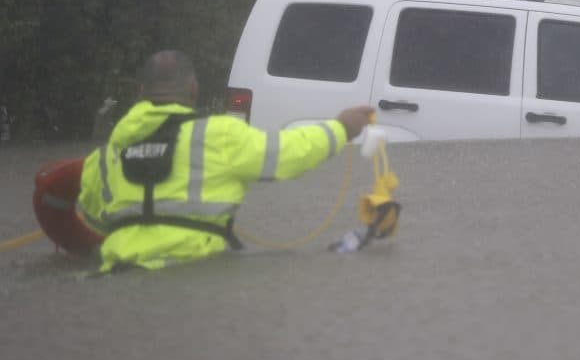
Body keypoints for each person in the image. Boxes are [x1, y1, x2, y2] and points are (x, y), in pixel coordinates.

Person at [76, 50, 373, 272]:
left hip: (116, 276)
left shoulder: (103, 157)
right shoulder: (218, 135)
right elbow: (285, 153)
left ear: (140, 94)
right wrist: (341, 128)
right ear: (194, 91)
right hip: (193, 270)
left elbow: (92, 221)